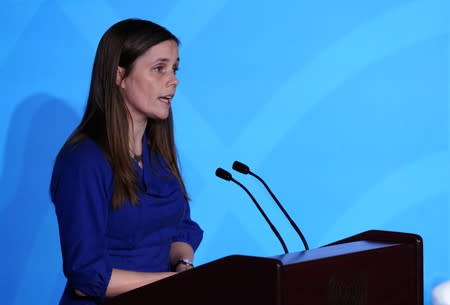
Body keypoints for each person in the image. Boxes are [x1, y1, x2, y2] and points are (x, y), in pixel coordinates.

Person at [50, 18, 203, 305]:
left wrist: (184, 266)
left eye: (175, 68)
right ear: (119, 76)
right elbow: (86, 277)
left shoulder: (157, 155)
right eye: (159, 68)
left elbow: (180, 228)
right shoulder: (83, 160)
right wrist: (174, 283)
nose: (174, 80)